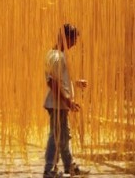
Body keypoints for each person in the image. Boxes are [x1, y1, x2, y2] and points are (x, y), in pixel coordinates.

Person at [43, 23, 89, 177]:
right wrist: (68, 101)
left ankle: (69, 167)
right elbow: (53, 84)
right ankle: (49, 170)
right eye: (73, 39)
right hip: (58, 104)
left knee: (63, 136)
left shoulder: (53, 54)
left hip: (59, 104)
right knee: (56, 136)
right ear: (66, 38)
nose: (74, 43)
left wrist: (75, 82)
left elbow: (59, 80)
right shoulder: (58, 57)